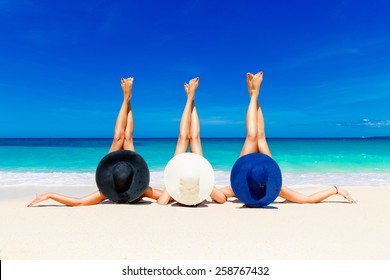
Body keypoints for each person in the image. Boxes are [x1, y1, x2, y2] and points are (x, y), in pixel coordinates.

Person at [212, 71, 356, 204]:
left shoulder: (238, 187)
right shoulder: (275, 188)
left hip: (247, 167)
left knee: (252, 136)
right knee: (259, 135)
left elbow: (219, 197)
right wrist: (335, 190)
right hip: (264, 168)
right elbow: (307, 200)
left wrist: (199, 182)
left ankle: (254, 95)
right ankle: (254, 94)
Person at [27, 76, 162, 207]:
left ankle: (126, 97)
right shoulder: (142, 190)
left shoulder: (107, 192)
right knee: (127, 138)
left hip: (114, 167)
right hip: (130, 167)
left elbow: (79, 202)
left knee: (118, 138)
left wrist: (50, 195)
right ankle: (127, 98)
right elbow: (168, 195)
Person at [157, 77, 226, 205]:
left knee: (183, 138)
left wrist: (171, 185)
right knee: (194, 138)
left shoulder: (177, 189)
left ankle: (190, 98)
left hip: (185, 173)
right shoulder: (202, 189)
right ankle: (191, 98)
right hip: (194, 173)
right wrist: (207, 185)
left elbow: (162, 202)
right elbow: (222, 199)